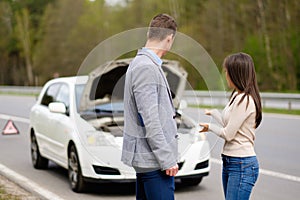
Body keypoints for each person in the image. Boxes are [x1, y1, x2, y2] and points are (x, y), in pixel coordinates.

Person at [121, 14, 179, 200]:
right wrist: (167, 159)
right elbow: (150, 119)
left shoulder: (142, 63)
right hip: (154, 161)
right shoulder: (146, 67)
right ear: (169, 39)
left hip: (149, 160)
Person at [200, 52, 262, 200]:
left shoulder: (245, 100)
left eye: (227, 71)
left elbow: (228, 134)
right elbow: (230, 124)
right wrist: (214, 113)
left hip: (242, 164)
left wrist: (210, 127)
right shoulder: (236, 95)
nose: (226, 75)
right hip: (230, 161)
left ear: (236, 73)